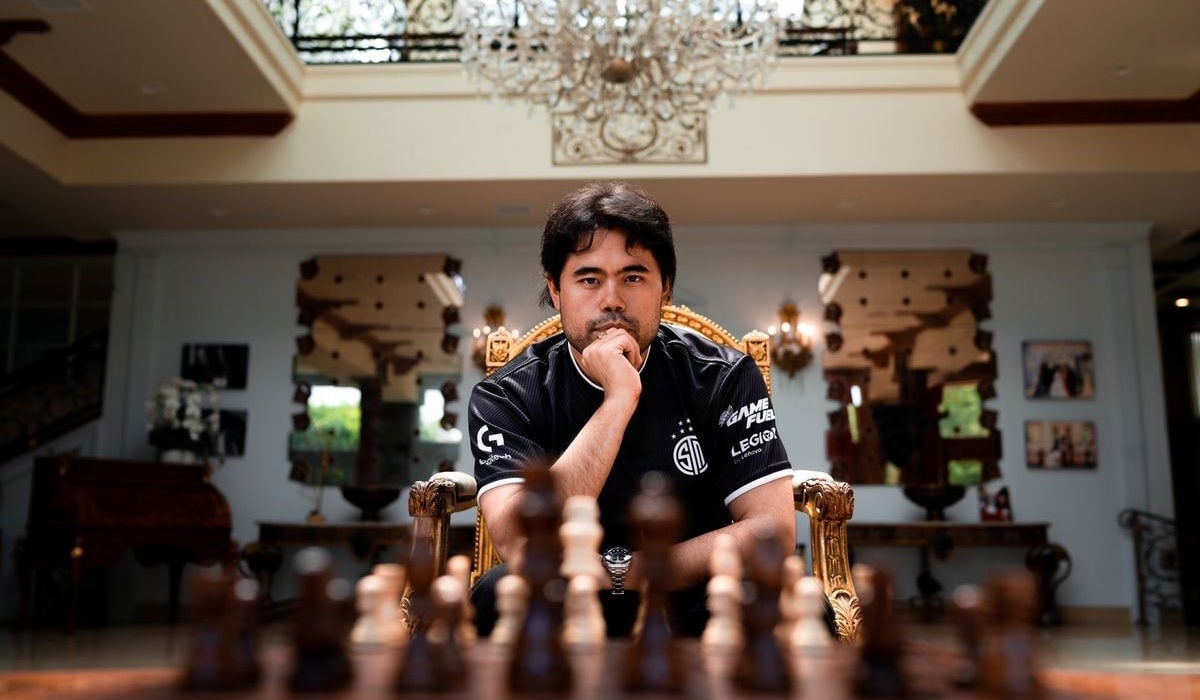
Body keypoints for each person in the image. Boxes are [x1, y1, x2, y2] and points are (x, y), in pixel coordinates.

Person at [467, 181, 796, 638]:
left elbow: (773, 531)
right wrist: (618, 401)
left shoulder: (724, 376)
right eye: (589, 279)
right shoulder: (506, 394)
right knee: (498, 591)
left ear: (666, 287)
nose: (612, 300)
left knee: (785, 602)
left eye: (633, 277)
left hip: (695, 591)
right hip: (563, 593)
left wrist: (626, 572)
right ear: (555, 289)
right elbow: (521, 543)